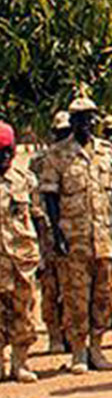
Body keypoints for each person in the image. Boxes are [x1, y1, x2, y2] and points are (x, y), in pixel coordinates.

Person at [40, 97, 112, 374]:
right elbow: (50, 197)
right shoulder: (57, 155)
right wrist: (57, 234)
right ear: (72, 122)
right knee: (75, 296)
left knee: (103, 295)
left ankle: (97, 347)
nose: (85, 123)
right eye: (79, 118)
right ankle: (78, 352)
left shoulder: (107, 152)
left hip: (103, 236)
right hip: (74, 238)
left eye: (89, 118)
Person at [0, 121, 40, 383]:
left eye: (7, 152)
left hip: (21, 259)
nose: (3, 158)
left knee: (23, 310)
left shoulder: (24, 181)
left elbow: (37, 216)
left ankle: (20, 362)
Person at [33, 111, 71, 352]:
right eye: (60, 133)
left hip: (71, 232)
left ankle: (70, 334)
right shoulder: (39, 161)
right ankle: (54, 335)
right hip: (45, 230)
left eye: (67, 133)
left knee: (70, 286)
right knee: (49, 286)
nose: (63, 138)